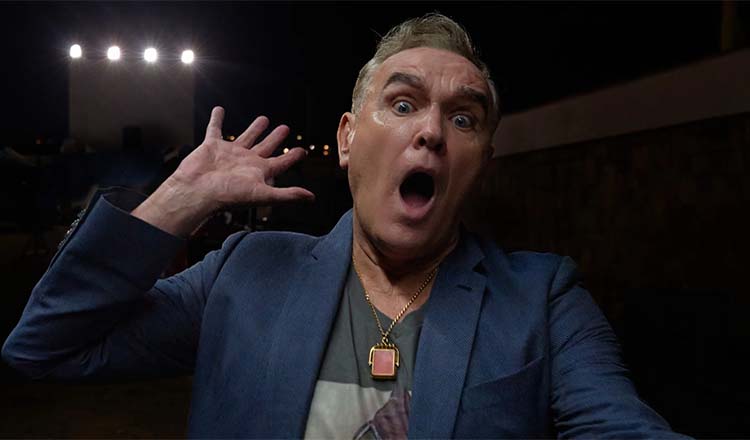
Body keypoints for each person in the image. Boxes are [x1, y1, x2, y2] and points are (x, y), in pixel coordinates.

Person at [3, 14, 687, 439]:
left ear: (482, 162)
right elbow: (45, 347)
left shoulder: (544, 298)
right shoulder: (245, 271)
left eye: (463, 118)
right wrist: (178, 200)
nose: (431, 131)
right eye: (403, 103)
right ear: (349, 139)